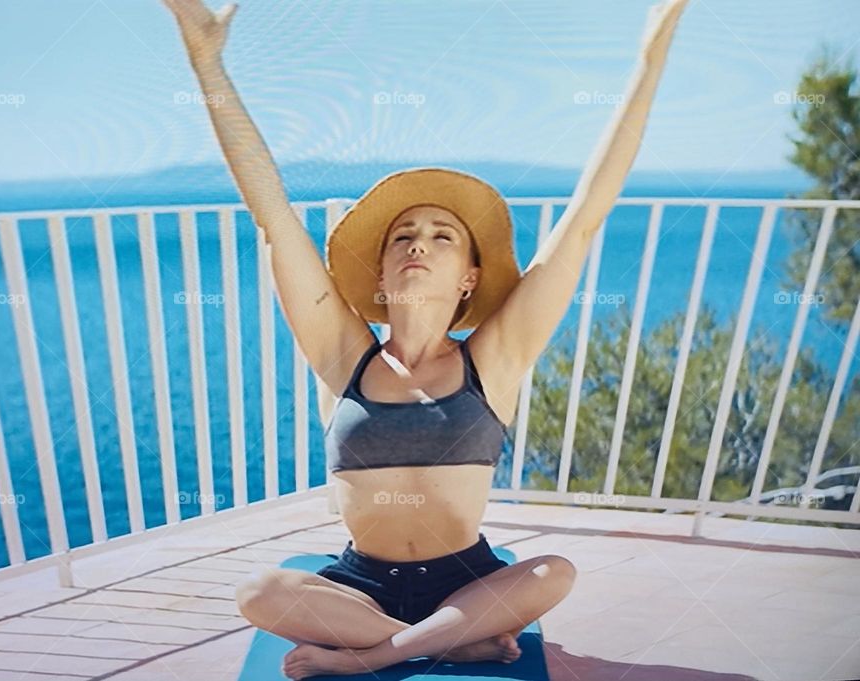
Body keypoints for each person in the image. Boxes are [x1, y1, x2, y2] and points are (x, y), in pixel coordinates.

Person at [161, 0, 689, 678]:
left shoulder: (492, 359)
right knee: (258, 591)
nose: (419, 244)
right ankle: (443, 641)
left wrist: (650, 57)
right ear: (381, 272)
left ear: (469, 277)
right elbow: (272, 216)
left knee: (554, 570)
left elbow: (586, 216)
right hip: (361, 585)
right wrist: (206, 63)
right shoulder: (344, 357)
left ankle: (374, 655)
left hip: (465, 579)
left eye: (443, 236)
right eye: (403, 237)